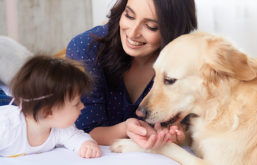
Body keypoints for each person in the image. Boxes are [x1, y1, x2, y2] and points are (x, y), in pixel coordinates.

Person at [66, 0, 197, 149]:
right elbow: (81, 130)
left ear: (174, 30)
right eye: (129, 16)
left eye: (151, 26)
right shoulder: (86, 49)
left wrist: (173, 131)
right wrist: (125, 129)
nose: (133, 33)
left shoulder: (185, 64)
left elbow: (188, 128)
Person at [0, 55, 101, 158]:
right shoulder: (6, 128)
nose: (82, 106)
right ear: (48, 113)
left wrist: (87, 144)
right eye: (76, 104)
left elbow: (76, 136)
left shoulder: (60, 128)